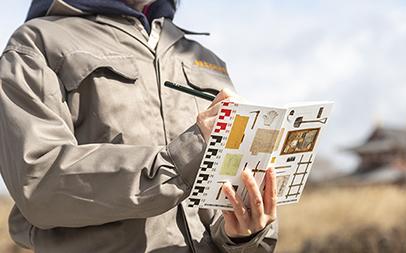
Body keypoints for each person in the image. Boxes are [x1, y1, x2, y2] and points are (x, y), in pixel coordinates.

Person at [0, 0, 278, 252]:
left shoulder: (204, 59)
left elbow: (218, 209)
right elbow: (39, 182)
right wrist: (180, 159)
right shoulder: (37, 44)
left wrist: (241, 235)